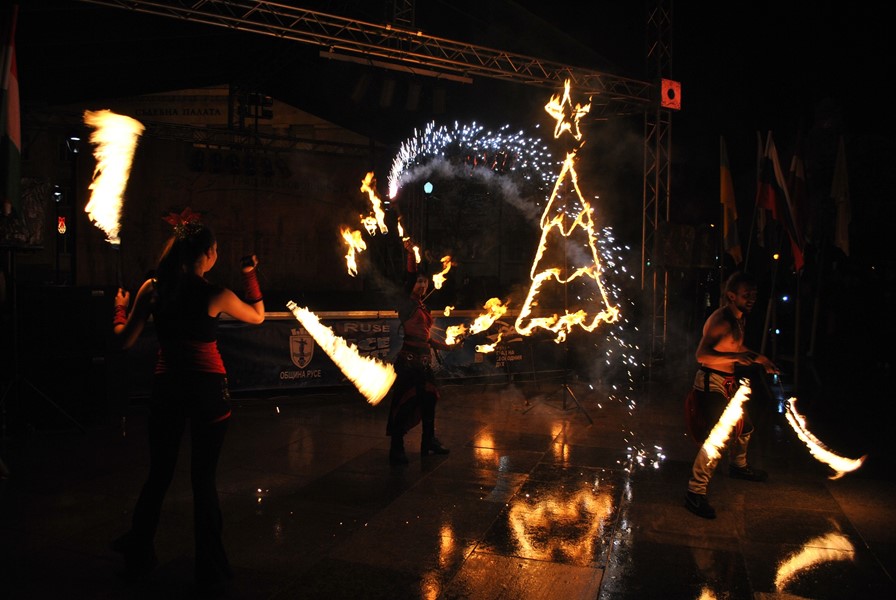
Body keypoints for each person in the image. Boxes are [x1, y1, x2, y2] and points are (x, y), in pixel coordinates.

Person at [109, 208, 265, 593]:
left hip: (168, 390)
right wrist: (250, 274)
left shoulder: (153, 288)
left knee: (159, 474)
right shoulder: (215, 293)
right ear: (207, 253)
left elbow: (124, 340)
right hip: (208, 392)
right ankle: (209, 567)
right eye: (216, 250)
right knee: (203, 480)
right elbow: (258, 316)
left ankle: (139, 553)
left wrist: (119, 308)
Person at [684, 271, 778, 519]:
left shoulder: (738, 318)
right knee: (718, 437)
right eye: (747, 295)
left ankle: (738, 466)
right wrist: (736, 357)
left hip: (727, 382)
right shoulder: (722, 320)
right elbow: (702, 355)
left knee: (745, 428)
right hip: (711, 382)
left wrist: (761, 359)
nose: (752, 299)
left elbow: (735, 345)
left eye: (754, 295)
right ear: (731, 296)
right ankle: (695, 491)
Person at [385, 240, 455, 465]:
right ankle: (397, 448)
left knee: (429, 401)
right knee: (405, 403)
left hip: (423, 362)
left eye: (424, 282)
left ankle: (429, 441)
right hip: (408, 362)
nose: (422, 285)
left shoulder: (423, 307)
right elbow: (409, 277)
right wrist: (410, 254)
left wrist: (447, 346)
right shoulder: (406, 304)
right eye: (419, 282)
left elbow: (426, 337)